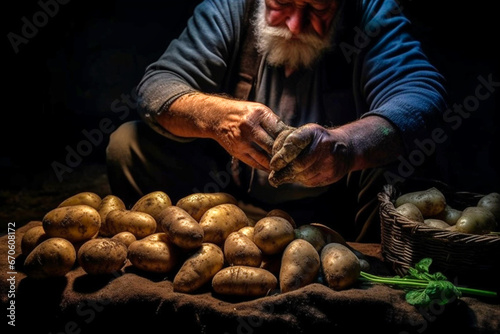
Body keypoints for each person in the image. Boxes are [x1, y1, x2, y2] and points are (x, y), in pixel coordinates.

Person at [106, 0, 448, 241]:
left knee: (405, 153)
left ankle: (367, 270)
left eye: (317, 8)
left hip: (341, 217)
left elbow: (422, 96)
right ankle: (189, 242)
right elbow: (156, 87)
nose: (295, 25)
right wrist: (216, 117)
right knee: (130, 144)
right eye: (281, 3)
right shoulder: (230, 7)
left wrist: (348, 145)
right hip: (226, 204)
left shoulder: (369, 12)